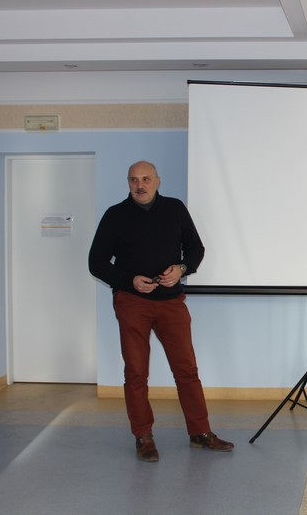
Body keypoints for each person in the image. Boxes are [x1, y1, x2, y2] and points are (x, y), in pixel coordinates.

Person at [88, 160, 234, 462]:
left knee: (187, 369)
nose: (139, 185)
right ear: (128, 183)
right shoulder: (115, 215)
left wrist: (182, 268)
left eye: (146, 179)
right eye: (133, 180)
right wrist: (129, 280)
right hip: (132, 303)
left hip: (171, 303)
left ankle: (200, 432)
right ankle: (143, 436)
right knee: (136, 372)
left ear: (157, 181)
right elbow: (96, 263)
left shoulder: (175, 209)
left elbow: (196, 249)